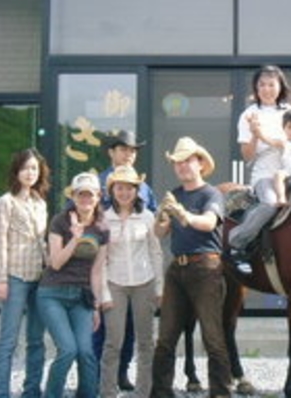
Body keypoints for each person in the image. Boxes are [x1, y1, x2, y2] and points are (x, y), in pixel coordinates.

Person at [151, 137, 232, 398]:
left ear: (200, 163)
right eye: (178, 162)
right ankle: (161, 392)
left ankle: (220, 392)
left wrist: (184, 215)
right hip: (177, 268)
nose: (183, 166)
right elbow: (159, 232)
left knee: (212, 337)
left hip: (206, 267)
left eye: (188, 161)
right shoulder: (174, 194)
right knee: (165, 338)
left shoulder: (212, 193)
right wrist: (162, 215)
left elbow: (209, 223)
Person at [95, 129, 158, 391]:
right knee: (104, 331)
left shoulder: (144, 188)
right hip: (104, 267)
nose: (128, 154)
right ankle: (98, 382)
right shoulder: (98, 182)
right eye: (123, 149)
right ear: (112, 152)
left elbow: (151, 223)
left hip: (138, 271)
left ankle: (123, 373)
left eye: (133, 150)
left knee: (133, 329)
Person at [37, 172, 109, 398]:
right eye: (81, 194)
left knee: (86, 352)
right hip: (53, 294)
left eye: (90, 194)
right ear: (74, 197)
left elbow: (97, 271)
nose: (85, 199)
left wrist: (96, 306)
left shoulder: (102, 228)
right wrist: (75, 239)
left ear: (98, 196)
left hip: (82, 297)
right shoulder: (60, 221)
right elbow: (55, 263)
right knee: (68, 350)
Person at [0, 148, 50, 398]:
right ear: (17, 170)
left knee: (36, 340)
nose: (30, 172)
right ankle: (1, 392)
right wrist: (0, 279)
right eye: (26, 167)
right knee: (8, 341)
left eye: (34, 168)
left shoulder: (40, 203)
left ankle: (32, 391)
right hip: (14, 277)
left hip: (39, 278)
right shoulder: (5, 202)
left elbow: (43, 242)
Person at [228, 64, 291, 268]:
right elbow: (247, 156)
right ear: (256, 89)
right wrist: (256, 135)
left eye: (271, 84)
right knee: (269, 205)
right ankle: (237, 242)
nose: (267, 89)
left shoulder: (290, 111)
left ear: (280, 86)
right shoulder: (249, 114)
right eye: (262, 85)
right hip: (265, 176)